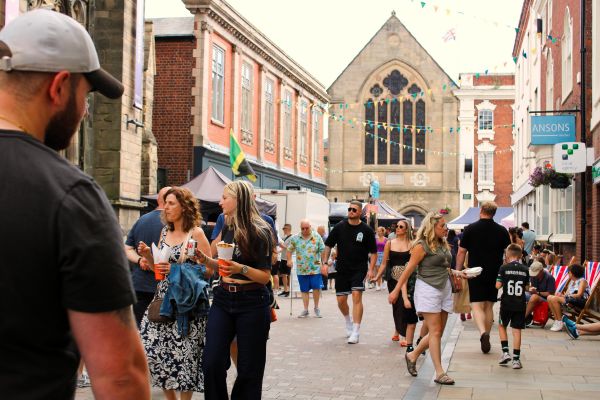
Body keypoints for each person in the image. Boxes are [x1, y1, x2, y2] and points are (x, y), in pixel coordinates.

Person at [0, 9, 150, 399]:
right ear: (59, 87)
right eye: (85, 96)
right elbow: (119, 375)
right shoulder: (70, 197)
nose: (84, 113)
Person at [199, 180, 273, 399]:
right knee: (211, 362)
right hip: (223, 299)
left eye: (224, 197)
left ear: (238, 200)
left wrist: (241, 268)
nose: (220, 202)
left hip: (252, 300)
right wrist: (204, 259)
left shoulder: (260, 230)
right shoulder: (228, 225)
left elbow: (264, 276)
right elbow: (222, 266)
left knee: (250, 369)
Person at [137, 187, 212, 399]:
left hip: (187, 303)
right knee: (152, 353)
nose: (166, 208)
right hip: (163, 298)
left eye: (171, 203)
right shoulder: (164, 232)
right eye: (165, 203)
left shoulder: (195, 233)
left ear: (184, 206)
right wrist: (148, 257)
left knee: (185, 358)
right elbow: (159, 271)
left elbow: (209, 271)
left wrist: (178, 269)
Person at [391, 212, 464, 385]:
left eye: (446, 225)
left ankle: (412, 355)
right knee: (436, 332)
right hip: (428, 289)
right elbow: (408, 270)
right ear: (432, 227)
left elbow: (444, 268)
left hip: (445, 288)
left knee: (435, 332)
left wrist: (459, 273)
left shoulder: (443, 244)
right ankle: (439, 372)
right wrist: (395, 291)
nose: (446, 228)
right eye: (442, 226)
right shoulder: (421, 246)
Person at [455, 202, 511, 354]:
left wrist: (458, 271)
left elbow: (461, 252)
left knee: (476, 305)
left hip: (475, 272)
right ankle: (487, 333)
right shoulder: (501, 231)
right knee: (489, 305)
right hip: (495, 272)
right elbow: (508, 253)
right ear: (494, 213)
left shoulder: (470, 229)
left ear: (481, 211)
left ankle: (482, 333)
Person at [322, 200, 377, 344]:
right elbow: (328, 246)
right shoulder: (339, 227)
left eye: (354, 210)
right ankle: (348, 321)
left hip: (359, 269)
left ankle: (356, 331)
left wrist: (371, 270)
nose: (351, 212)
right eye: (349, 209)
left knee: (356, 295)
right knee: (341, 300)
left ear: (360, 212)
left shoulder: (367, 230)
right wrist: (324, 264)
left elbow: (373, 252)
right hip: (342, 269)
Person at [125, 186, 171, 326]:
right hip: (163, 287)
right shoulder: (175, 225)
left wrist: (139, 260)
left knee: (140, 328)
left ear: (158, 199)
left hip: (140, 285)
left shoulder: (142, 219)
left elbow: (127, 248)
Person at [375, 220, 413, 346]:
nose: (397, 228)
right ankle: (397, 330)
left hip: (407, 280)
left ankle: (403, 334)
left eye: (400, 227)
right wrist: (377, 276)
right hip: (393, 279)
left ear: (406, 229)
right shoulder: (389, 243)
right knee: (396, 306)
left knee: (404, 306)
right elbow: (384, 263)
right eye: (396, 226)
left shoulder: (411, 244)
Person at [496, 244, 529, 369]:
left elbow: (498, 286)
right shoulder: (525, 269)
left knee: (501, 325)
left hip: (506, 303)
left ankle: (505, 352)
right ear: (520, 255)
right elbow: (526, 287)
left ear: (507, 255)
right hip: (520, 304)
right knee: (516, 331)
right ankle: (516, 359)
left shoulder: (503, 268)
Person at [287, 219, 326, 318]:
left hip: (315, 267)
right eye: (302, 228)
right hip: (302, 268)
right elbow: (289, 250)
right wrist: (289, 260)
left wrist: (323, 263)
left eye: (306, 228)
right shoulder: (295, 238)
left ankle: (316, 308)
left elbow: (322, 250)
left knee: (316, 288)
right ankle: (305, 309)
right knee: (304, 290)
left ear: (310, 226)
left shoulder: (316, 236)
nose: (304, 230)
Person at [547, 264, 590, 332]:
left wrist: (565, 296)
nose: (568, 273)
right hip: (570, 301)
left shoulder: (582, 281)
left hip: (580, 301)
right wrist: (561, 295)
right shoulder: (572, 282)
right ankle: (557, 320)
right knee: (549, 297)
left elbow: (579, 294)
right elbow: (567, 294)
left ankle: (559, 321)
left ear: (573, 273)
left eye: (569, 272)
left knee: (554, 299)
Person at [524, 261, 556, 325]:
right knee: (520, 294)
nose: (534, 275)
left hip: (546, 299)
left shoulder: (549, 278)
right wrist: (528, 288)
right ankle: (526, 316)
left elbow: (550, 294)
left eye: (536, 273)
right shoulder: (534, 277)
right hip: (535, 295)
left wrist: (537, 293)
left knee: (534, 297)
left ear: (541, 271)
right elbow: (531, 287)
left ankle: (522, 318)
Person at [278, 223, 293, 296]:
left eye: (284, 229)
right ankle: (285, 290)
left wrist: (282, 246)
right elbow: (283, 248)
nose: (283, 230)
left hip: (288, 258)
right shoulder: (284, 238)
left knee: (289, 274)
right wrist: (278, 250)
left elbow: (291, 248)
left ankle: (290, 289)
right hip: (283, 258)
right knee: (283, 274)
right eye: (283, 229)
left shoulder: (292, 238)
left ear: (288, 229)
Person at [373, 227, 388, 291]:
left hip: (384, 254)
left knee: (383, 271)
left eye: (380, 231)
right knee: (378, 270)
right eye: (377, 231)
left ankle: (383, 282)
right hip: (377, 255)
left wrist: (387, 256)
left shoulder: (386, 239)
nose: (378, 232)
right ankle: (378, 285)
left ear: (383, 232)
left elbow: (388, 248)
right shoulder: (375, 239)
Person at [317, 225, 329, 289]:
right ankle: (324, 285)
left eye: (318, 230)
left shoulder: (325, 238)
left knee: (324, 270)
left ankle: (324, 285)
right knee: (323, 270)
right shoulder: (322, 237)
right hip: (322, 256)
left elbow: (325, 248)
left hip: (324, 257)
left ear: (322, 231)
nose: (317, 232)